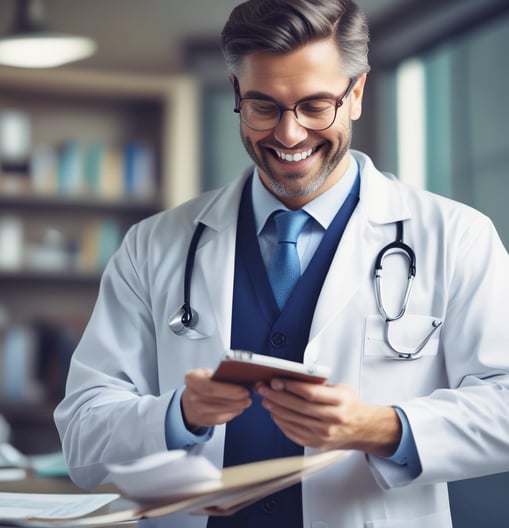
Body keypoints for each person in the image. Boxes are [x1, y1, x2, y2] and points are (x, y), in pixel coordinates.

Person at [54, 1, 509, 527]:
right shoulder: (153, 245)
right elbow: (82, 434)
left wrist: (381, 426)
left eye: (316, 106)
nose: (289, 136)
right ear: (235, 93)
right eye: (264, 106)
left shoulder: (455, 237)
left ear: (356, 93)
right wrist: (178, 415)